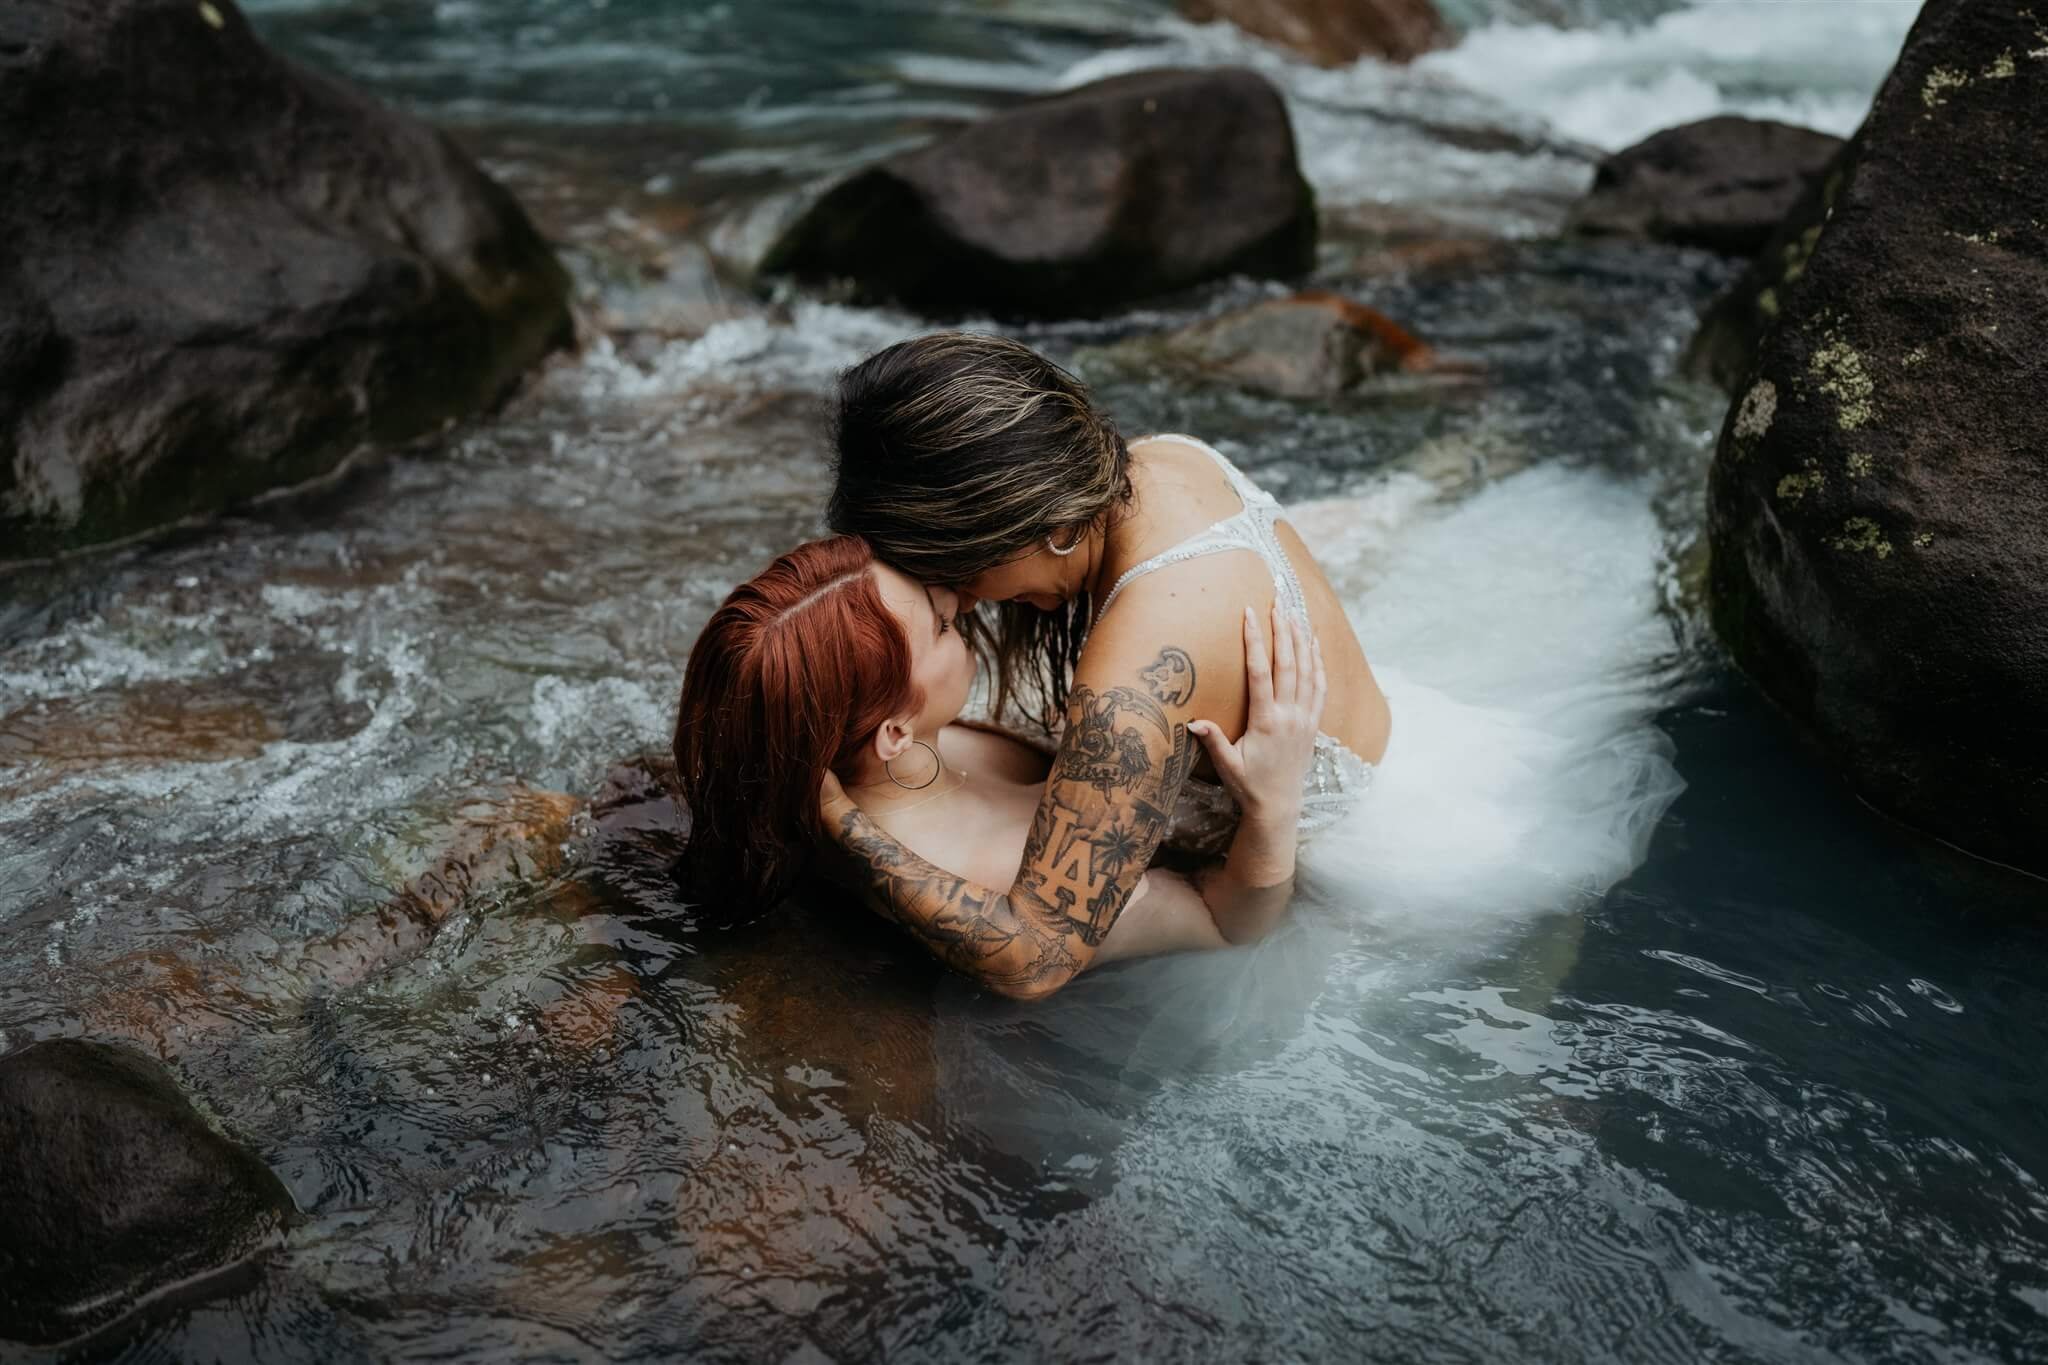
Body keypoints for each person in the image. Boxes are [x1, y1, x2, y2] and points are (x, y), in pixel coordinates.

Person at [813, 332, 1388, 1000]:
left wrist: (841, 825)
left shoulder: (1139, 663)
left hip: (1346, 884)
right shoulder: (1156, 459)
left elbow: (1036, 958)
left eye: (955, 567)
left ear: (1041, 524)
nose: (961, 597)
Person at [671, 535, 1329, 987]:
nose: (960, 601)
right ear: (893, 732)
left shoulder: (867, 751)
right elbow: (1228, 924)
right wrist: (1275, 801)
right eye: (940, 625)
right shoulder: (990, 875)